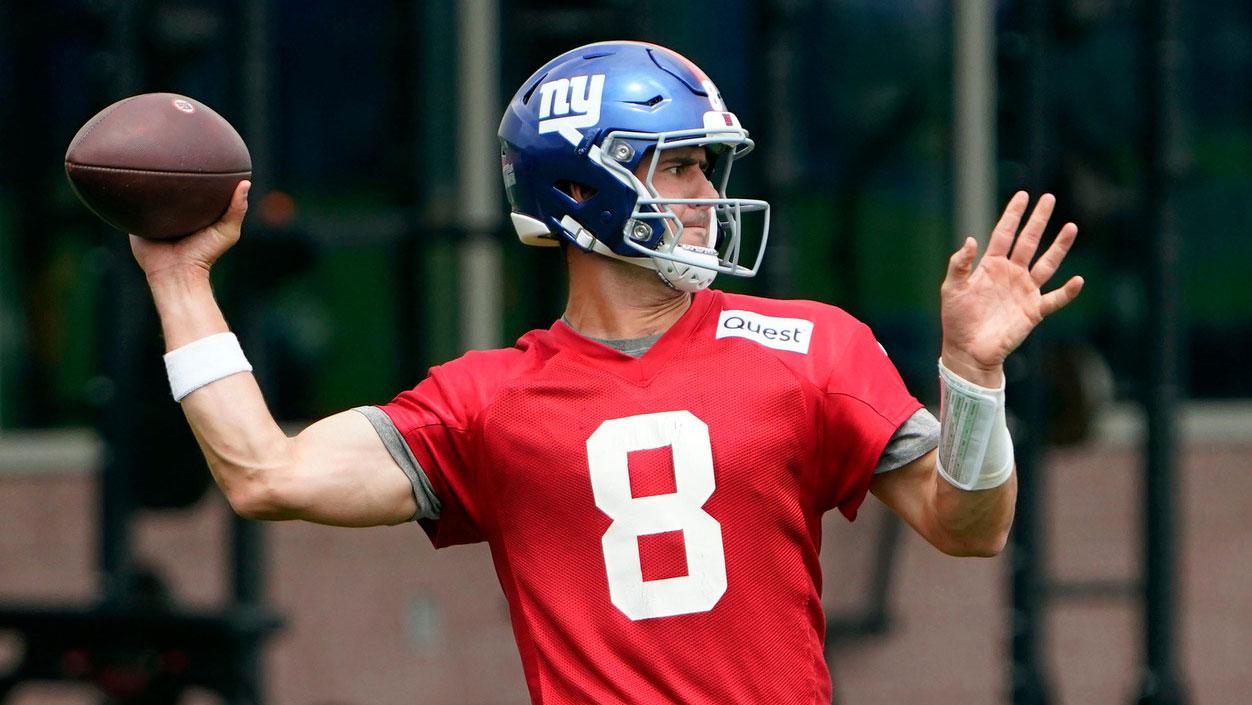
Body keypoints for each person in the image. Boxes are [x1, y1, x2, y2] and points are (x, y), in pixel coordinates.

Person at [131, 41, 1083, 704]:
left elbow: (971, 527)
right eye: (680, 169)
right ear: (583, 185)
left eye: (710, 169)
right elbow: (264, 472)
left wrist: (971, 379)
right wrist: (179, 278)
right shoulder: (486, 400)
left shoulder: (812, 346)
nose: (710, 196)